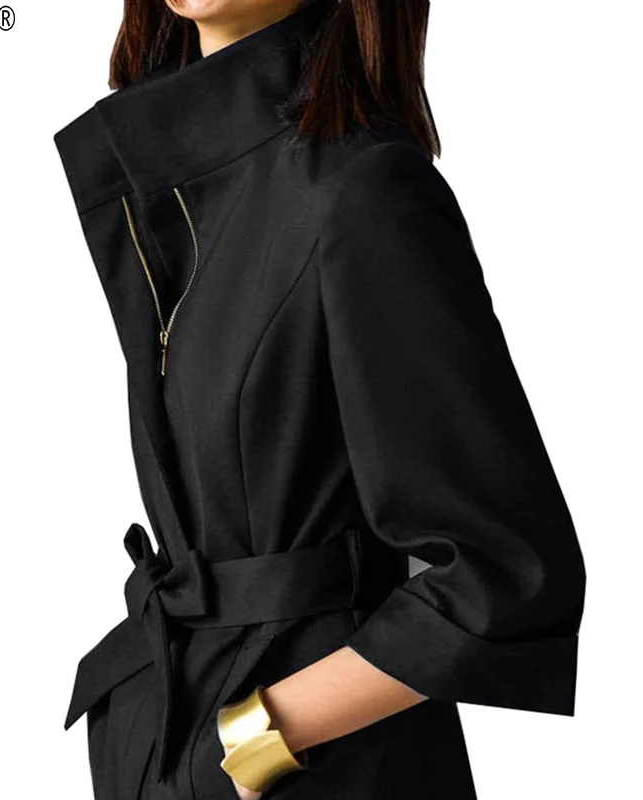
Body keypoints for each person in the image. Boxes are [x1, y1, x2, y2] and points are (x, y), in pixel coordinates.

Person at [52, 1, 587, 798]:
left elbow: (504, 574)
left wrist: (250, 743)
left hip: (319, 768)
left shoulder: (362, 187)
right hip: (174, 722)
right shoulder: (171, 184)